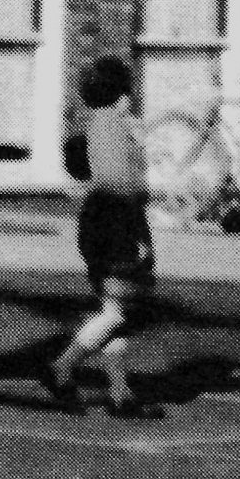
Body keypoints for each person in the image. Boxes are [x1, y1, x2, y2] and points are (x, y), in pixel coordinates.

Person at [51, 54, 155, 418]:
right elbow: (115, 181)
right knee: (119, 310)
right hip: (115, 223)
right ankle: (63, 366)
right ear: (123, 91)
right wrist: (144, 190)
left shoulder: (106, 123)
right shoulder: (113, 125)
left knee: (115, 310)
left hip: (105, 221)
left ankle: (119, 391)